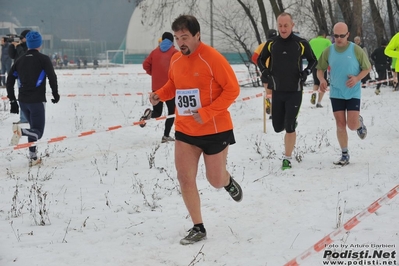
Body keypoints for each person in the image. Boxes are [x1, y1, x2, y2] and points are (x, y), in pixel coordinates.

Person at [147, 15, 242, 245]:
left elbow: (233, 90)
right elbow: (174, 85)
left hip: (215, 130)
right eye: (178, 38)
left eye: (185, 37)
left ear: (197, 36)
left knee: (215, 180)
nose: (181, 43)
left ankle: (227, 181)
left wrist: (209, 112)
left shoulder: (213, 59)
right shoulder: (176, 60)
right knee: (185, 177)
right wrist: (160, 94)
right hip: (185, 131)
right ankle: (198, 227)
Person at [257, 12, 317, 170]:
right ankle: (289, 121)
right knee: (277, 127)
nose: (283, 29)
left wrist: (306, 73)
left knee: (289, 126)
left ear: (292, 25)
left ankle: (287, 158)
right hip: (277, 90)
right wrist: (265, 72)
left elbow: (313, 60)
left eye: (286, 25)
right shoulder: (272, 43)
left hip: (294, 90)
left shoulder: (300, 43)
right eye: (280, 26)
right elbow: (260, 59)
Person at [317, 22, 371, 166]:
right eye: (336, 36)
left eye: (342, 36)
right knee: (340, 124)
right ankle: (344, 154)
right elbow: (320, 69)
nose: (339, 39)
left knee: (351, 125)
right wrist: (322, 80)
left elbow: (367, 68)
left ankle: (359, 124)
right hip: (336, 92)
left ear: (348, 35)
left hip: (353, 92)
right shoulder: (329, 51)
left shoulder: (356, 50)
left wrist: (357, 78)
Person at [6, 31, 59, 167]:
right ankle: (20, 132)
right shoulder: (43, 59)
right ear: (40, 44)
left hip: (23, 101)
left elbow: (10, 80)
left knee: (33, 129)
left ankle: (33, 157)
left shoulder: (20, 60)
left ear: (28, 44)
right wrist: (55, 94)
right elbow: (52, 77)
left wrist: (12, 100)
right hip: (37, 101)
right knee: (38, 132)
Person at [140, 32, 178, 143]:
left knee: (158, 111)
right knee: (171, 112)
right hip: (169, 88)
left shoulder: (154, 52)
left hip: (156, 87)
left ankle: (149, 114)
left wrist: (154, 73)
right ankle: (166, 136)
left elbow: (145, 65)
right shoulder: (174, 53)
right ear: (172, 41)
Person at [251, 29, 278, 119]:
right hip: (277, 73)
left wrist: (261, 66)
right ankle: (274, 113)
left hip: (265, 73)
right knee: (276, 93)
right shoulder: (279, 45)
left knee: (268, 92)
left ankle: (268, 106)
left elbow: (254, 58)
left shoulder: (262, 45)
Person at [8, 29, 30, 123]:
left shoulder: (29, 47)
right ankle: (25, 118)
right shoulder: (19, 46)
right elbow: (12, 55)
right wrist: (12, 45)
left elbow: (23, 56)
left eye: (22, 38)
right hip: (18, 72)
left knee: (24, 96)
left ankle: (25, 118)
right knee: (21, 95)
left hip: (26, 74)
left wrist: (18, 46)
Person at [309, 30, 332, 107]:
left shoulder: (312, 41)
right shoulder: (327, 42)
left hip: (314, 63)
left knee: (316, 81)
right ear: (324, 35)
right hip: (323, 64)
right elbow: (331, 51)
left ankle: (314, 93)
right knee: (322, 82)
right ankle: (319, 102)